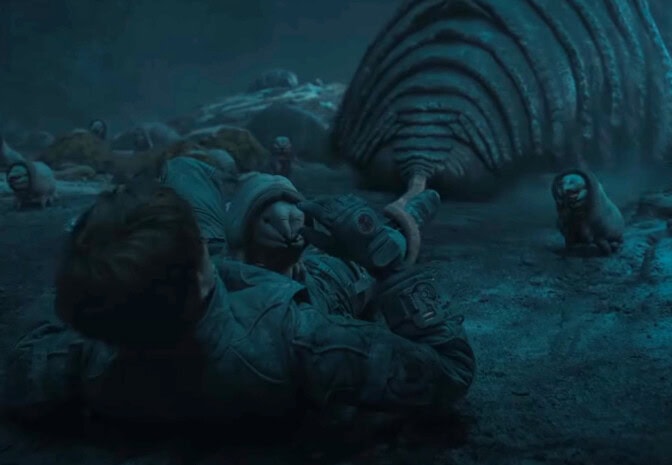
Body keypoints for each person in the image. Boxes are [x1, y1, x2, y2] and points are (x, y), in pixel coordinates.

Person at [1, 178, 475, 423]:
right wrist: (389, 268)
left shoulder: (78, 359)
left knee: (189, 173)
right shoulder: (304, 340)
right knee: (389, 231)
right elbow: (450, 372)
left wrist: (105, 269)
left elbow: (30, 363)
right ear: (200, 277)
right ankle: (408, 216)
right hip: (319, 287)